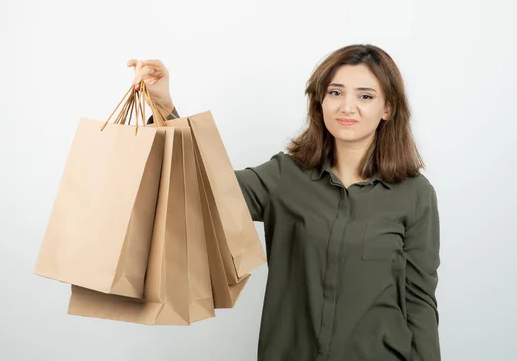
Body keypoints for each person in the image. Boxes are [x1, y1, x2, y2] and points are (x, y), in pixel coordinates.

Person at [129, 44, 441, 361]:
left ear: (387, 108)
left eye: (365, 96)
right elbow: (204, 188)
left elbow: (419, 300)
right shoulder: (286, 176)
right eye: (336, 93)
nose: (347, 107)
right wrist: (164, 108)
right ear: (320, 101)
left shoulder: (414, 194)